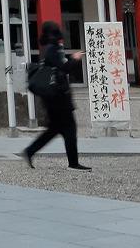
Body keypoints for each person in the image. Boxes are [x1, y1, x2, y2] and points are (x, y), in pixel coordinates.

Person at [22, 21, 91, 170]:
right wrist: (74, 59)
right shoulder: (52, 49)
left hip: (52, 98)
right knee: (69, 129)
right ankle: (73, 163)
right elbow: (64, 68)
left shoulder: (48, 48)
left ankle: (30, 151)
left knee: (54, 129)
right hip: (58, 98)